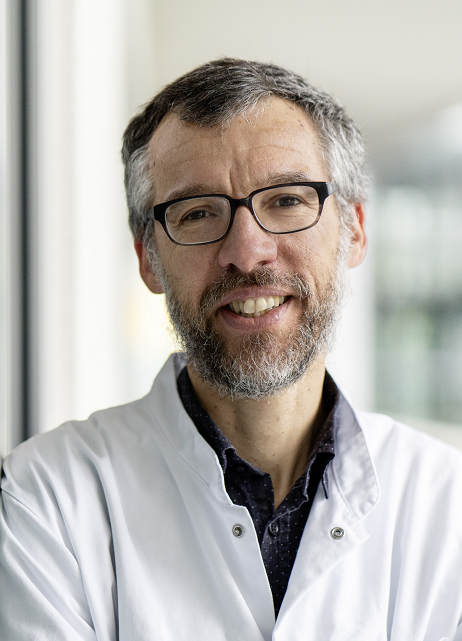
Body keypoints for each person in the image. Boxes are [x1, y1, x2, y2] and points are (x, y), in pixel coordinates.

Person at [1, 58, 462, 641]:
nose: (247, 251)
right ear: (148, 259)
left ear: (354, 230)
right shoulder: (44, 502)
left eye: (287, 200)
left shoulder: (449, 506)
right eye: (198, 213)